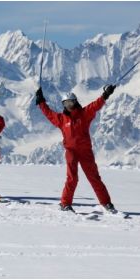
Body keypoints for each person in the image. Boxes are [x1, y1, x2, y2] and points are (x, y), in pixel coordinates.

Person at [35, 84, 118, 213]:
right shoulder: (61, 119)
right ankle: (65, 204)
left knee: (94, 177)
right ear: (63, 105)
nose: (68, 105)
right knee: (72, 178)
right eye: (65, 103)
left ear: (75, 102)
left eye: (70, 102)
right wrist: (41, 101)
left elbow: (95, 105)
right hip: (71, 151)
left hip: (85, 152)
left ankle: (106, 203)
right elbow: (49, 113)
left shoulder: (84, 114)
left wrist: (105, 95)